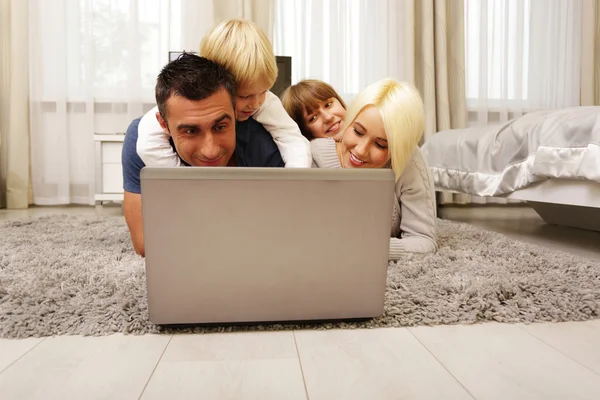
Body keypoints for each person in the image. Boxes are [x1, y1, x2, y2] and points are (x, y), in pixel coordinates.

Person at [121, 53, 284, 257]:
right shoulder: (141, 139)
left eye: (220, 126)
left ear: (235, 112)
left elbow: (284, 231)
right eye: (190, 131)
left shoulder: (261, 137)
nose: (211, 150)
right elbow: (146, 244)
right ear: (164, 125)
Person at [282, 78, 437, 259]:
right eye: (357, 131)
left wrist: (367, 248)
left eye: (380, 144)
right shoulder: (309, 158)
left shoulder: (410, 160)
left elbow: (424, 241)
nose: (361, 151)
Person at [136, 19, 312, 169]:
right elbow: (148, 146)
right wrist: (183, 177)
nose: (257, 103)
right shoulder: (179, 107)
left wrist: (294, 181)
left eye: (264, 91)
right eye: (244, 96)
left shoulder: (266, 102)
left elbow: (293, 140)